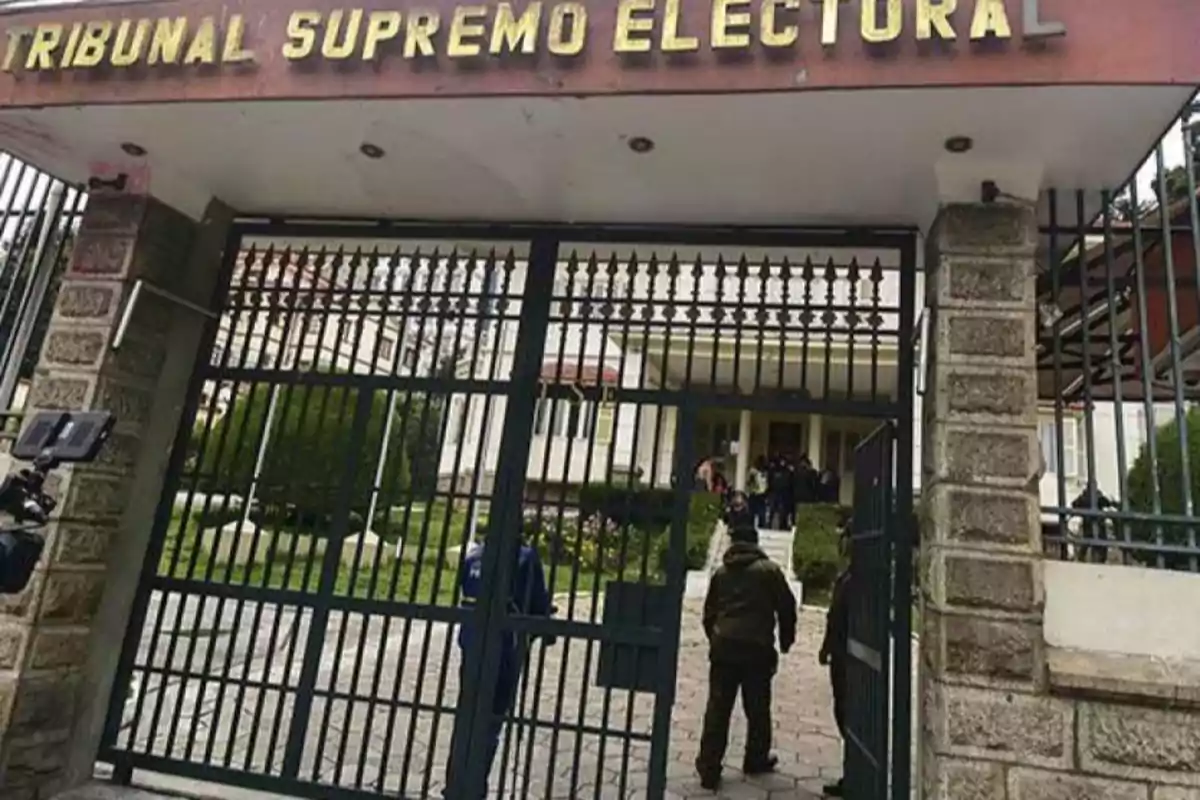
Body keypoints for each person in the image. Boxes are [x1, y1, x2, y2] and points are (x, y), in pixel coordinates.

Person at [696, 520, 798, 790]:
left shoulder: (720, 573)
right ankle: (755, 757)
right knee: (757, 708)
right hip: (757, 649)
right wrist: (786, 640)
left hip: (724, 648)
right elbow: (786, 607)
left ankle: (709, 766)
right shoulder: (769, 571)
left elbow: (709, 612)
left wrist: (716, 637)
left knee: (718, 709)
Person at [452, 526, 553, 797]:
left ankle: (455, 783)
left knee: (468, 714)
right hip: (505, 646)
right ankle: (476, 784)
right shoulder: (525, 557)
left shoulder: (473, 557)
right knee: (492, 718)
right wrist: (547, 629)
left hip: (471, 642)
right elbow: (538, 600)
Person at [819, 513, 853, 798]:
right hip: (842, 654)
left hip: (852, 658)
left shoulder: (859, 580)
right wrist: (825, 647)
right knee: (843, 712)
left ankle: (856, 776)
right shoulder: (848, 577)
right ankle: (853, 774)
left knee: (851, 715)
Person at [747, 457, 768, 527]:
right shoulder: (753, 472)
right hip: (754, 493)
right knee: (752, 512)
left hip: (762, 494)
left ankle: (761, 525)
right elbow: (749, 482)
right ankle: (751, 525)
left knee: (762, 512)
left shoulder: (765, 473)